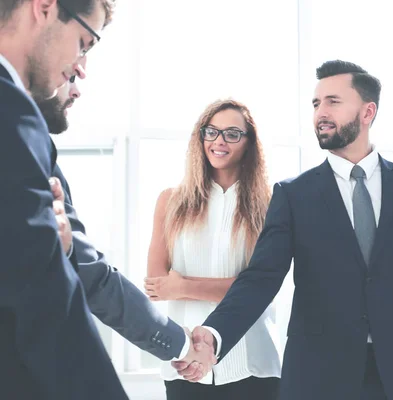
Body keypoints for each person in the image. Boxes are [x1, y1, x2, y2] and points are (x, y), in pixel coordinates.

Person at [177, 60, 393, 400]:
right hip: (317, 378)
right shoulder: (294, 195)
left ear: (367, 111)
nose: (320, 113)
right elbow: (261, 277)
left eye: (333, 102)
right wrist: (214, 333)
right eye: (316, 104)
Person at [34, 65, 215, 381]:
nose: (76, 89)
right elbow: (91, 275)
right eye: (70, 76)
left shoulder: (33, 143)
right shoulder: (27, 147)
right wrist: (181, 343)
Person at [0, 0, 128, 398]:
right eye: (84, 42)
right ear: (44, 7)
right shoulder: (12, 112)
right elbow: (45, 300)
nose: (80, 65)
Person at [144, 99, 282, 399]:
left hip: (252, 364)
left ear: (249, 143)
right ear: (200, 137)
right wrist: (226, 287)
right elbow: (156, 285)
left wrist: (181, 285)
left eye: (232, 134)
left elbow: (260, 288)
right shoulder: (170, 201)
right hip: (184, 362)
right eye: (212, 132)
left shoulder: (270, 207)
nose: (219, 141)